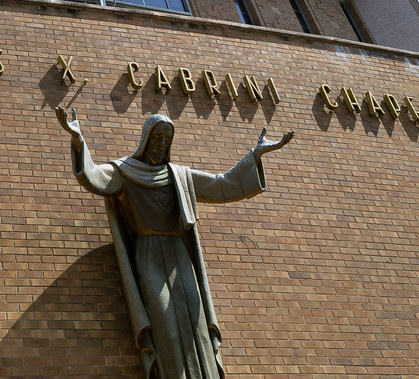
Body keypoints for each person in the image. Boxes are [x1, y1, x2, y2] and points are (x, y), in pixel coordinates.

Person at [55, 107, 293, 379]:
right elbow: (94, 177)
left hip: (179, 256)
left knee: (195, 321)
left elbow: (221, 183)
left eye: (166, 139)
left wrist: (255, 155)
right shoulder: (125, 171)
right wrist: (78, 140)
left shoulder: (179, 176)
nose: (161, 144)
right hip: (148, 254)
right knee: (165, 324)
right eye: (157, 137)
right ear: (146, 139)